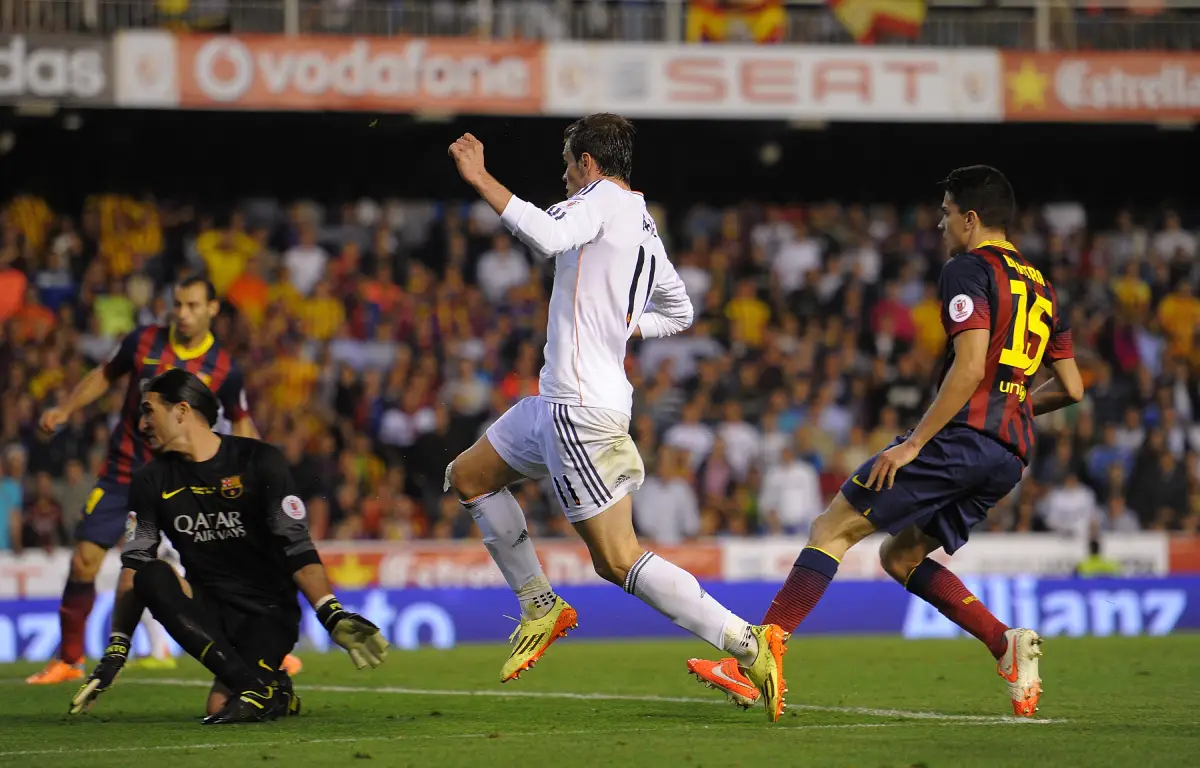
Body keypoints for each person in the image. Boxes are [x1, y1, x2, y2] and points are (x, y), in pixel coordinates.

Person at [687, 166, 1084, 718]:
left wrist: (914, 443)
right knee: (901, 555)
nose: (942, 224)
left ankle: (757, 656)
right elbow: (1072, 387)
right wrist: (1013, 406)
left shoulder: (968, 269)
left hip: (961, 438)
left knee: (832, 527)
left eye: (946, 214)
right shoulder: (1042, 285)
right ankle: (1004, 643)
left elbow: (969, 368)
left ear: (970, 219)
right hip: (1008, 454)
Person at [446, 114, 788, 722]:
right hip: (558, 402)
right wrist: (627, 324)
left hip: (581, 409)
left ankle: (746, 643)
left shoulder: (599, 199)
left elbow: (546, 237)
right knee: (469, 476)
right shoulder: (643, 222)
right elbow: (678, 310)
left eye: (566, 161)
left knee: (618, 559)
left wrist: (480, 177)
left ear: (588, 163)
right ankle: (538, 604)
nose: (562, 172)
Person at [69, 369, 388, 724]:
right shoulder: (150, 480)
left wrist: (331, 612)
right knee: (150, 574)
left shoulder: (260, 461)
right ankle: (260, 689)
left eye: (148, 411)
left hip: (266, 614)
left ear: (181, 411)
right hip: (208, 612)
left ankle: (265, 688)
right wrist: (116, 650)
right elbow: (134, 564)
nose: (141, 424)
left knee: (218, 708)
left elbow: (297, 548)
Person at [28, 275, 304, 684]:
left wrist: (258, 478)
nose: (183, 314)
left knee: (227, 563)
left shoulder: (224, 367)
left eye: (192, 305)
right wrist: (67, 409)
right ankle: (69, 659)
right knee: (84, 558)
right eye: (177, 304)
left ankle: (265, 647)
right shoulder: (142, 342)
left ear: (212, 309)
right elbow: (105, 375)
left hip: (190, 480)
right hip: (125, 472)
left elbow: (241, 420)